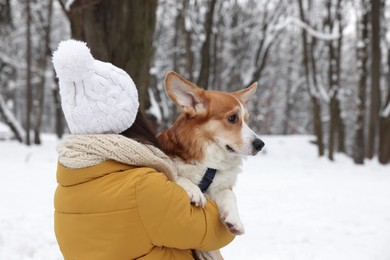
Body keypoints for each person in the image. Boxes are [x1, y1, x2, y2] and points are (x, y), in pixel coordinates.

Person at [52, 39, 234, 260]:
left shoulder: (66, 190)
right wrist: (224, 195)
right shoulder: (143, 185)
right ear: (132, 116)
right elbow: (214, 231)